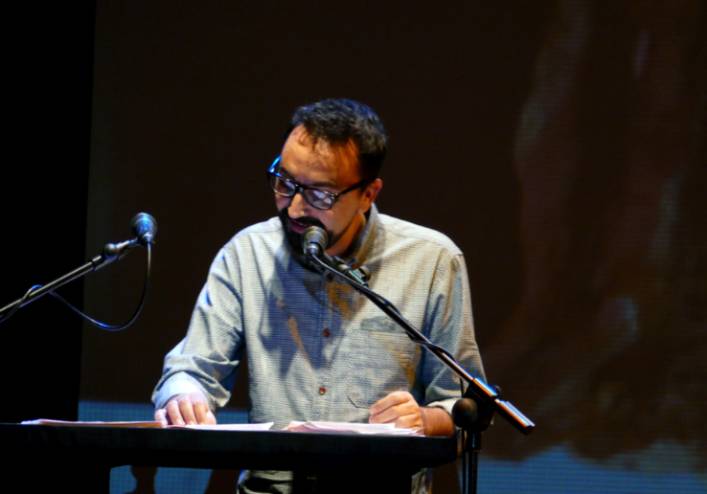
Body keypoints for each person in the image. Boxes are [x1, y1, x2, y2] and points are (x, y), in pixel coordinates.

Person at [152, 98, 485, 493]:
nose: (294, 208)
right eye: (285, 182)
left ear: (368, 193)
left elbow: (465, 408)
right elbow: (191, 369)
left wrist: (425, 420)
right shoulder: (247, 253)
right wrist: (184, 394)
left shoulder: (432, 261)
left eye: (320, 195)